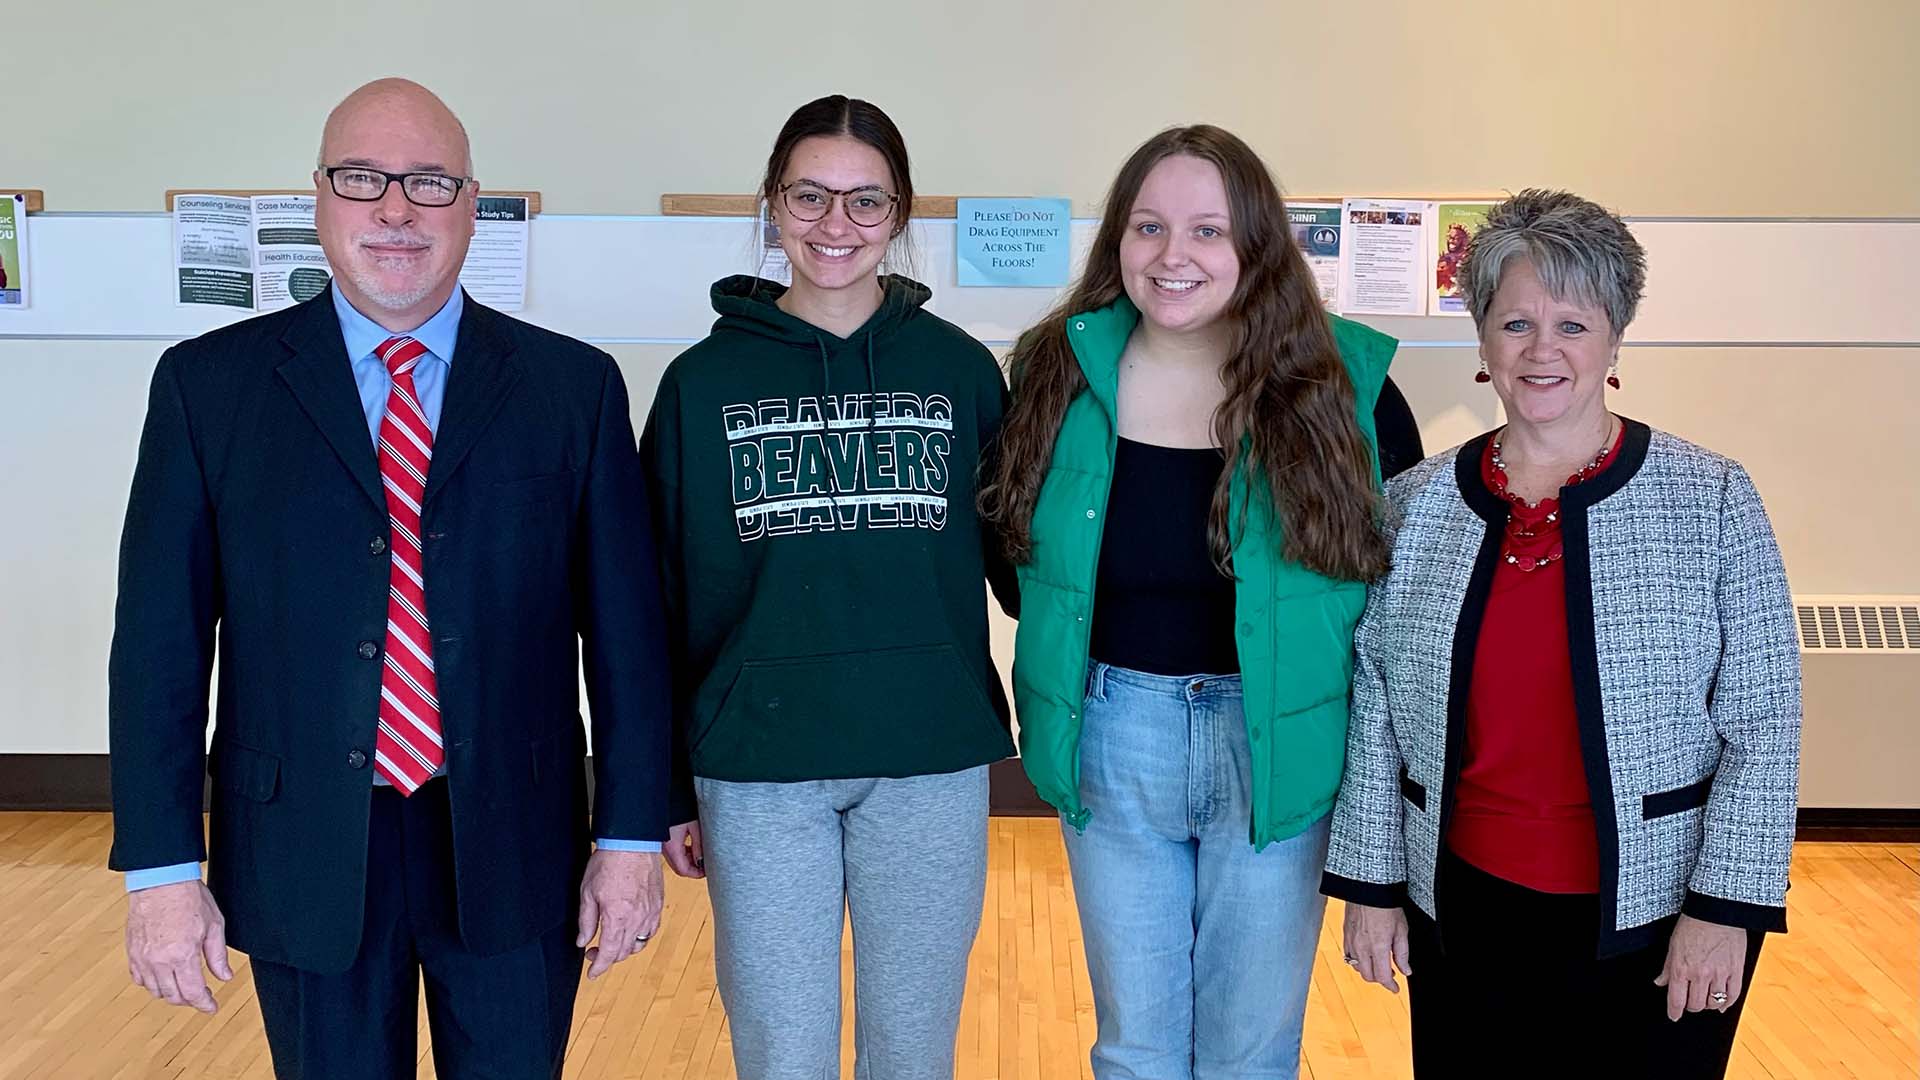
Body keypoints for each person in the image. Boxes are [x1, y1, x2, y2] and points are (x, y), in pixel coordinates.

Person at [108, 78, 674, 1079]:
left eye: (430, 181)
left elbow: (628, 638)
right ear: (320, 198)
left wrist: (628, 840)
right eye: (364, 179)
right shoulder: (210, 388)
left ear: (471, 203)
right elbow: (159, 644)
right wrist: (161, 868)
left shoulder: (570, 389)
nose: (397, 209)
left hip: (515, 842)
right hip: (304, 851)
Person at [1322, 189, 1800, 1077]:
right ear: (1483, 344)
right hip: (1464, 909)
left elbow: (1764, 726)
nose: (1543, 352)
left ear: (1615, 339)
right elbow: (1375, 713)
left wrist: (1727, 907)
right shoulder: (1414, 507)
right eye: (1515, 325)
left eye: (1573, 325)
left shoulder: (1714, 499)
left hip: (1660, 917)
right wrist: (1372, 886)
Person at [980, 124, 1420, 1080]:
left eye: (1207, 231)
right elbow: (1010, 547)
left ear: (1257, 243)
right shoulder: (1057, 371)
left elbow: (1397, 604)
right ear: (1117, 243)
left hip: (1279, 745)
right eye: (1148, 227)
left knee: (1250, 1049)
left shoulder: (1347, 387)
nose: (1173, 256)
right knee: (1135, 1046)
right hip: (1112, 732)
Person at [641, 94, 1016, 1080]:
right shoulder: (699, 386)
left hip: (929, 757)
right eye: (810, 197)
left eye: (865, 201)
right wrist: (664, 785)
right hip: (759, 768)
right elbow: (660, 605)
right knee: (782, 1053)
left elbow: (1025, 565)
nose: (835, 226)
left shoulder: (962, 373)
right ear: (773, 206)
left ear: (899, 214)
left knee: (913, 1051)